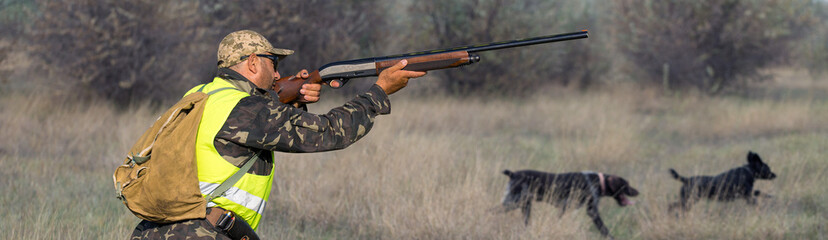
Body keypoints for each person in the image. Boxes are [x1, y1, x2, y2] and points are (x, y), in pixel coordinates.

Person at [130, 30, 426, 239]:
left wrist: (294, 101)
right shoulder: (245, 108)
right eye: (274, 64)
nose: (276, 75)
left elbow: (243, 131)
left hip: (154, 230)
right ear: (253, 62)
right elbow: (330, 132)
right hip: (201, 233)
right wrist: (379, 92)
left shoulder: (200, 94)